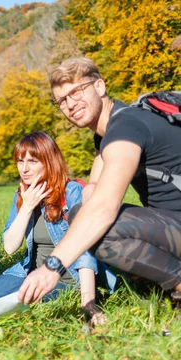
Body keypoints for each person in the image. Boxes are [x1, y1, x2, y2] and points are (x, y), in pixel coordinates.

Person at [19, 56, 181, 306]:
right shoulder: (107, 133)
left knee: (102, 230)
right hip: (172, 224)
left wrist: (53, 266)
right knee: (83, 217)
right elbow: (91, 194)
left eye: (76, 91)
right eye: (62, 100)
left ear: (100, 87)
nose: (70, 104)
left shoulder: (125, 127)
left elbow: (104, 208)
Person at [0, 131, 116, 323]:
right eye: (20, 161)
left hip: (68, 280)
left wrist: (88, 302)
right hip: (29, 274)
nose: (24, 169)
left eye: (32, 161)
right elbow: (9, 247)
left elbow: (84, 247)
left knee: (10, 308)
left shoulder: (71, 192)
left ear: (48, 161)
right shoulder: (22, 195)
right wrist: (28, 207)